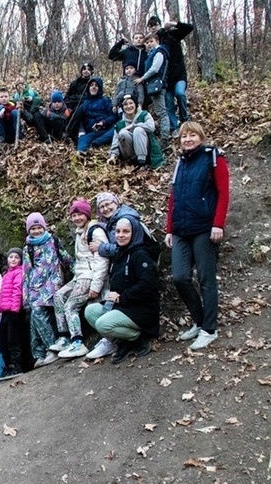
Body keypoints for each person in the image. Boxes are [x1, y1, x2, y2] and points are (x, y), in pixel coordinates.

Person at [166, 122, 230, 350]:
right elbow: (173, 198)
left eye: (192, 135)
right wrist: (169, 228)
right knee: (180, 277)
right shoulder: (180, 163)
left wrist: (218, 224)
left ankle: (209, 329)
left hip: (205, 228)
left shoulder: (213, 157)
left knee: (206, 279)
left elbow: (223, 193)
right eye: (184, 136)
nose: (188, 139)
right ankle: (200, 321)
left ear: (201, 137)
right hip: (182, 229)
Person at [84, 215, 160, 363]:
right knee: (90, 312)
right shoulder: (120, 253)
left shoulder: (140, 254)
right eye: (117, 231)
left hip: (141, 308)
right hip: (123, 305)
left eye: (126, 231)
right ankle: (119, 341)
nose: (120, 235)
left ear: (134, 233)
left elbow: (147, 285)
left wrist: (121, 297)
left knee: (102, 324)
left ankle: (137, 337)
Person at [49, 200, 109, 359]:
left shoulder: (94, 231)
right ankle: (64, 337)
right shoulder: (79, 232)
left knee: (71, 306)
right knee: (58, 296)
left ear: (87, 215)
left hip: (89, 277)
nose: (76, 218)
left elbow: (102, 260)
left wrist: (96, 286)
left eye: (80, 214)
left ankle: (77, 342)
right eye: (73, 215)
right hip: (80, 276)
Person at [22, 212, 73, 368]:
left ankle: (53, 347)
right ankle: (39, 353)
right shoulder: (27, 248)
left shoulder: (54, 241)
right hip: (35, 286)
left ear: (44, 227)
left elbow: (66, 258)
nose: (36, 231)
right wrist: (25, 295)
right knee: (34, 315)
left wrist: (81, 273)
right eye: (33, 228)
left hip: (53, 283)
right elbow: (26, 272)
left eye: (39, 227)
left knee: (38, 312)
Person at [148, 16, 193, 135]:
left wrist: (174, 23)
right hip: (164, 79)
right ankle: (174, 127)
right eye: (150, 26)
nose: (153, 28)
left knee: (180, 93)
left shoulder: (171, 34)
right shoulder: (151, 43)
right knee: (168, 103)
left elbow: (189, 28)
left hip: (179, 74)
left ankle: (184, 118)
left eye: (155, 25)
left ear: (159, 24)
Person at [107, 95, 163, 170]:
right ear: (122, 108)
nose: (128, 106)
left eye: (131, 103)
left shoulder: (144, 115)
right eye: (125, 104)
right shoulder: (120, 124)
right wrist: (113, 156)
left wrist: (134, 126)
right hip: (130, 154)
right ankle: (134, 162)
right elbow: (115, 142)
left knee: (138, 130)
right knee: (122, 132)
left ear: (135, 104)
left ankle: (141, 162)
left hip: (146, 151)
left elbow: (151, 127)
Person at [134, 33, 171, 148]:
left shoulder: (159, 52)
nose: (149, 44)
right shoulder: (151, 53)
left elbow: (155, 69)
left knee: (161, 112)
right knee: (159, 111)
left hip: (157, 85)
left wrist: (142, 78)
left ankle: (165, 138)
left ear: (157, 41)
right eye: (147, 42)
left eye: (151, 41)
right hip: (153, 85)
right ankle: (162, 135)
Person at [0, 248, 24, 376]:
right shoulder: (6, 274)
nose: (13, 259)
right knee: (2, 340)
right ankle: (8, 365)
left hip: (14, 311)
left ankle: (16, 365)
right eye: (11, 257)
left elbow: (17, 291)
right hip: (5, 311)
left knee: (13, 339)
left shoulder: (19, 272)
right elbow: (2, 293)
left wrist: (15, 309)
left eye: (16, 257)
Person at [75, 78, 118, 155]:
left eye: (96, 85)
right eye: (91, 85)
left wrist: (103, 122)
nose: (93, 87)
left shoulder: (106, 100)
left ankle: (97, 142)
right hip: (91, 132)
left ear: (100, 88)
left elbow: (113, 116)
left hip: (106, 130)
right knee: (82, 139)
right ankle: (81, 154)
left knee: (116, 130)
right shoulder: (84, 103)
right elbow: (79, 119)